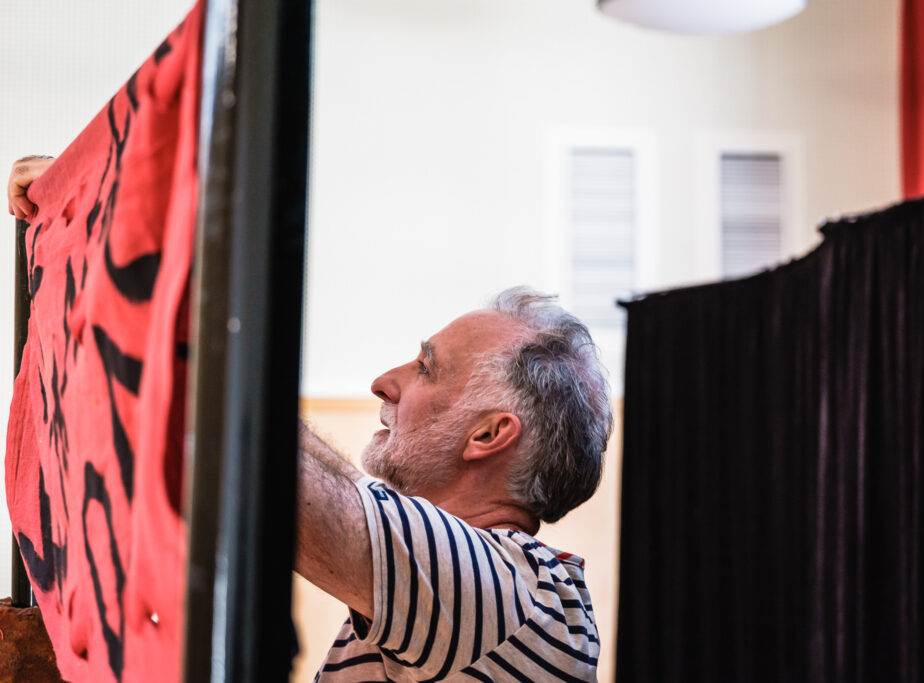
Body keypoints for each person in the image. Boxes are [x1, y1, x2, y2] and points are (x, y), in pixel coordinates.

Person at [9, 158, 612, 682]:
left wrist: (105, 227)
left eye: (427, 369)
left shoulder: (513, 597)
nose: (385, 380)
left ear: (489, 435)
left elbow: (268, 464)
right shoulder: (433, 605)